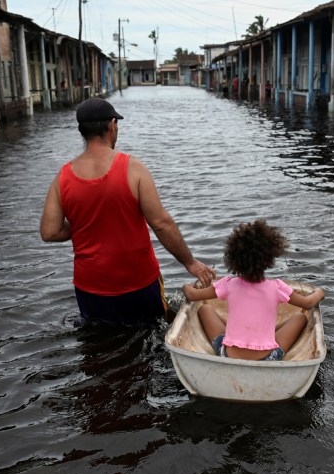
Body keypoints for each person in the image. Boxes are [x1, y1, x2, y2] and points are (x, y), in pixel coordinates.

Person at [40, 97, 216, 327]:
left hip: (91, 286)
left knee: (97, 349)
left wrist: (88, 221)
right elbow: (161, 224)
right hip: (138, 283)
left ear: (82, 131)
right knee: (148, 338)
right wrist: (190, 262)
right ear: (112, 126)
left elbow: (50, 232)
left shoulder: (63, 177)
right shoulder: (132, 168)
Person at [182, 219, 325, 361]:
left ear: (234, 258)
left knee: (205, 309)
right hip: (268, 358)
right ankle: (265, 332)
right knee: (299, 317)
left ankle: (241, 328)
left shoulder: (228, 284)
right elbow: (308, 303)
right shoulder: (277, 287)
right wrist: (319, 292)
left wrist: (186, 287)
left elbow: (193, 295)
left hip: (228, 355)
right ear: (269, 258)